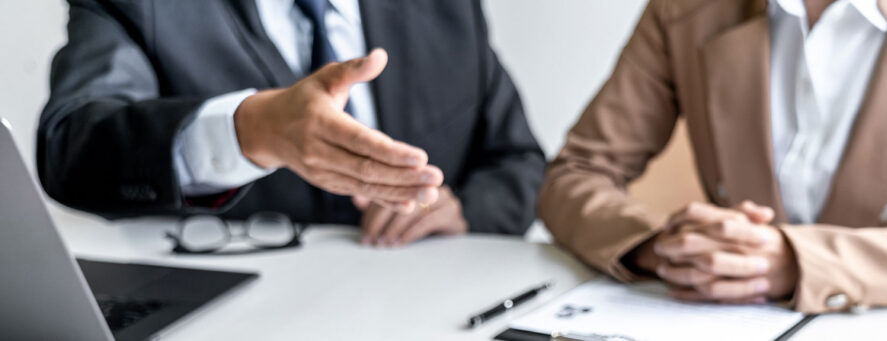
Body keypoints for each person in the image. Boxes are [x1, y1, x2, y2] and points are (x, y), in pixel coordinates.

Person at [539, 0, 887, 313]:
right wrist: (666, 248)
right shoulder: (682, 9)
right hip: (717, 321)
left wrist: (802, 262)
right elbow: (575, 174)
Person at [38, 0, 545, 247]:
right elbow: (73, 146)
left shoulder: (444, 8)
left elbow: (519, 162)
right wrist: (245, 132)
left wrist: (465, 210)